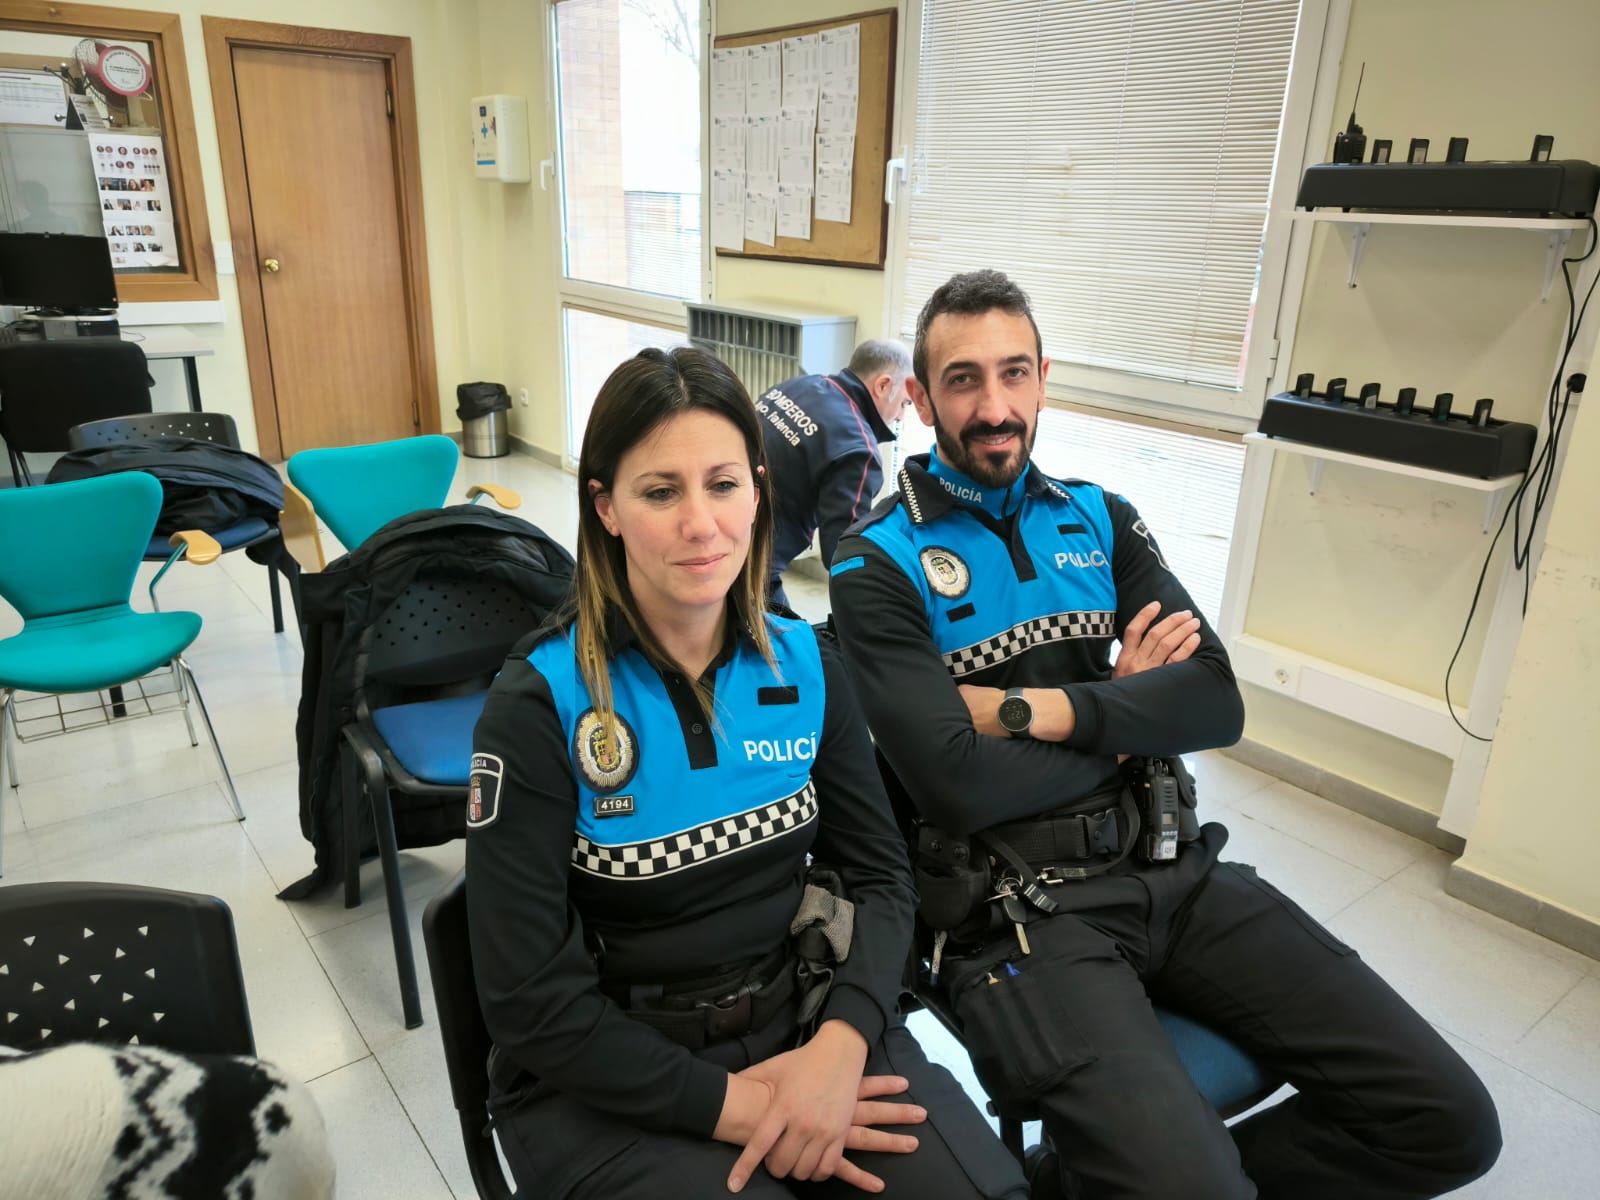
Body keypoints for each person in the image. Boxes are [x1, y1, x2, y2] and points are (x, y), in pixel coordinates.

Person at [827, 269, 1502, 1200]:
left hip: (1174, 871)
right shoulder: (876, 559)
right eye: (964, 380)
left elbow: (1216, 704)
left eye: (1014, 374)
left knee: (1449, 1126)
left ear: (1043, 378)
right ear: (920, 395)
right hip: (1020, 917)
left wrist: (1040, 709)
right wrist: (1131, 712)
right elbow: (957, 784)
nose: (995, 406)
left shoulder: (1098, 519)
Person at [465, 345, 1027, 1199]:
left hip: (805, 1027)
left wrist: (840, 1048)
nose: (702, 524)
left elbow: (882, 880)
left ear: (759, 491)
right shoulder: (539, 703)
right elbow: (529, 1002)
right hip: (609, 1077)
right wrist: (741, 1106)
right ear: (605, 507)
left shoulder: (808, 665)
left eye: (723, 485)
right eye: (661, 491)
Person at [757, 340, 912, 603]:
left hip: (722, 525)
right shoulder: (858, 450)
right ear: (883, 385)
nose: (901, 417)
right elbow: (841, 554)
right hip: (754, 565)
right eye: (905, 403)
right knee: (787, 641)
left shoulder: (800, 385)